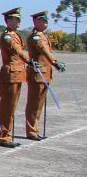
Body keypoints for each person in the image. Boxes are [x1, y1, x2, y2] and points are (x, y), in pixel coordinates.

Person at [0, 7, 33, 147]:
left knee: (11, 107)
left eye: (19, 19)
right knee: (6, 107)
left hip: (17, 74)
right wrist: (28, 59)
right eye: (16, 19)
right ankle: (3, 136)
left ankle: (7, 134)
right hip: (10, 75)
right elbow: (17, 50)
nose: (19, 22)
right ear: (9, 20)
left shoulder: (15, 35)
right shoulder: (7, 36)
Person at [25, 10, 65, 140]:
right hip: (37, 74)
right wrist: (55, 62)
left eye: (46, 20)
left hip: (45, 74)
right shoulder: (36, 37)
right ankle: (31, 131)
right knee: (34, 104)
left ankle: (35, 129)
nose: (45, 22)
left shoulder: (43, 35)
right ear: (36, 22)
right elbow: (44, 50)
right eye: (43, 20)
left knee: (39, 104)